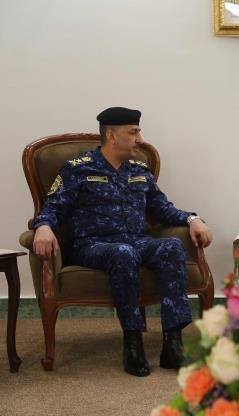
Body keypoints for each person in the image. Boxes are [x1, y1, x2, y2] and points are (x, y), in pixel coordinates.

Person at [31, 107, 213, 377]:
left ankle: (173, 344)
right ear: (112, 136)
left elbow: (163, 209)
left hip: (137, 241)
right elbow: (53, 207)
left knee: (171, 247)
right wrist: (43, 226)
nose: (140, 139)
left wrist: (193, 219)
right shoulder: (78, 168)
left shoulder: (140, 170)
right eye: (134, 132)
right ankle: (133, 343)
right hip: (92, 245)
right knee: (123, 253)